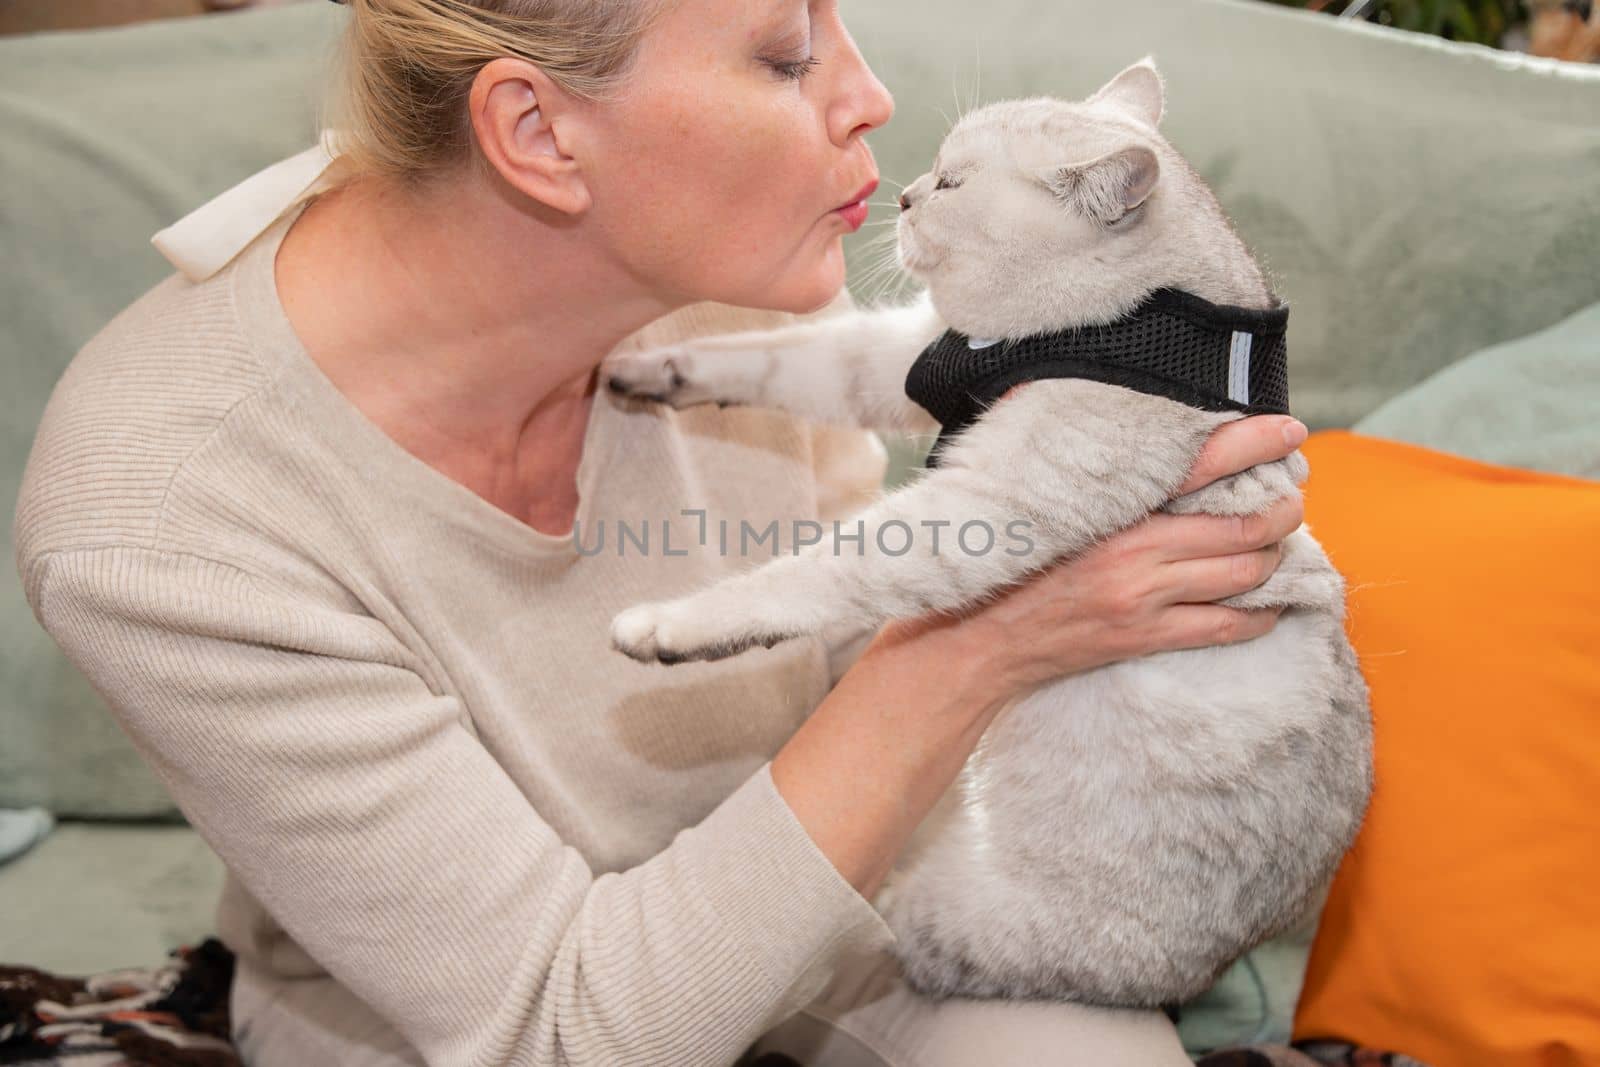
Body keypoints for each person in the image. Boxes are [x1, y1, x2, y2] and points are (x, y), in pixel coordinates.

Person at [11, 0, 1309, 1063]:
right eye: (787, 56)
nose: (869, 98)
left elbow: (849, 694)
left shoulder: (747, 268)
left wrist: (1055, 526)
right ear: (536, 131)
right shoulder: (156, 521)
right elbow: (559, 1030)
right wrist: (980, 643)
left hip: (816, 887)